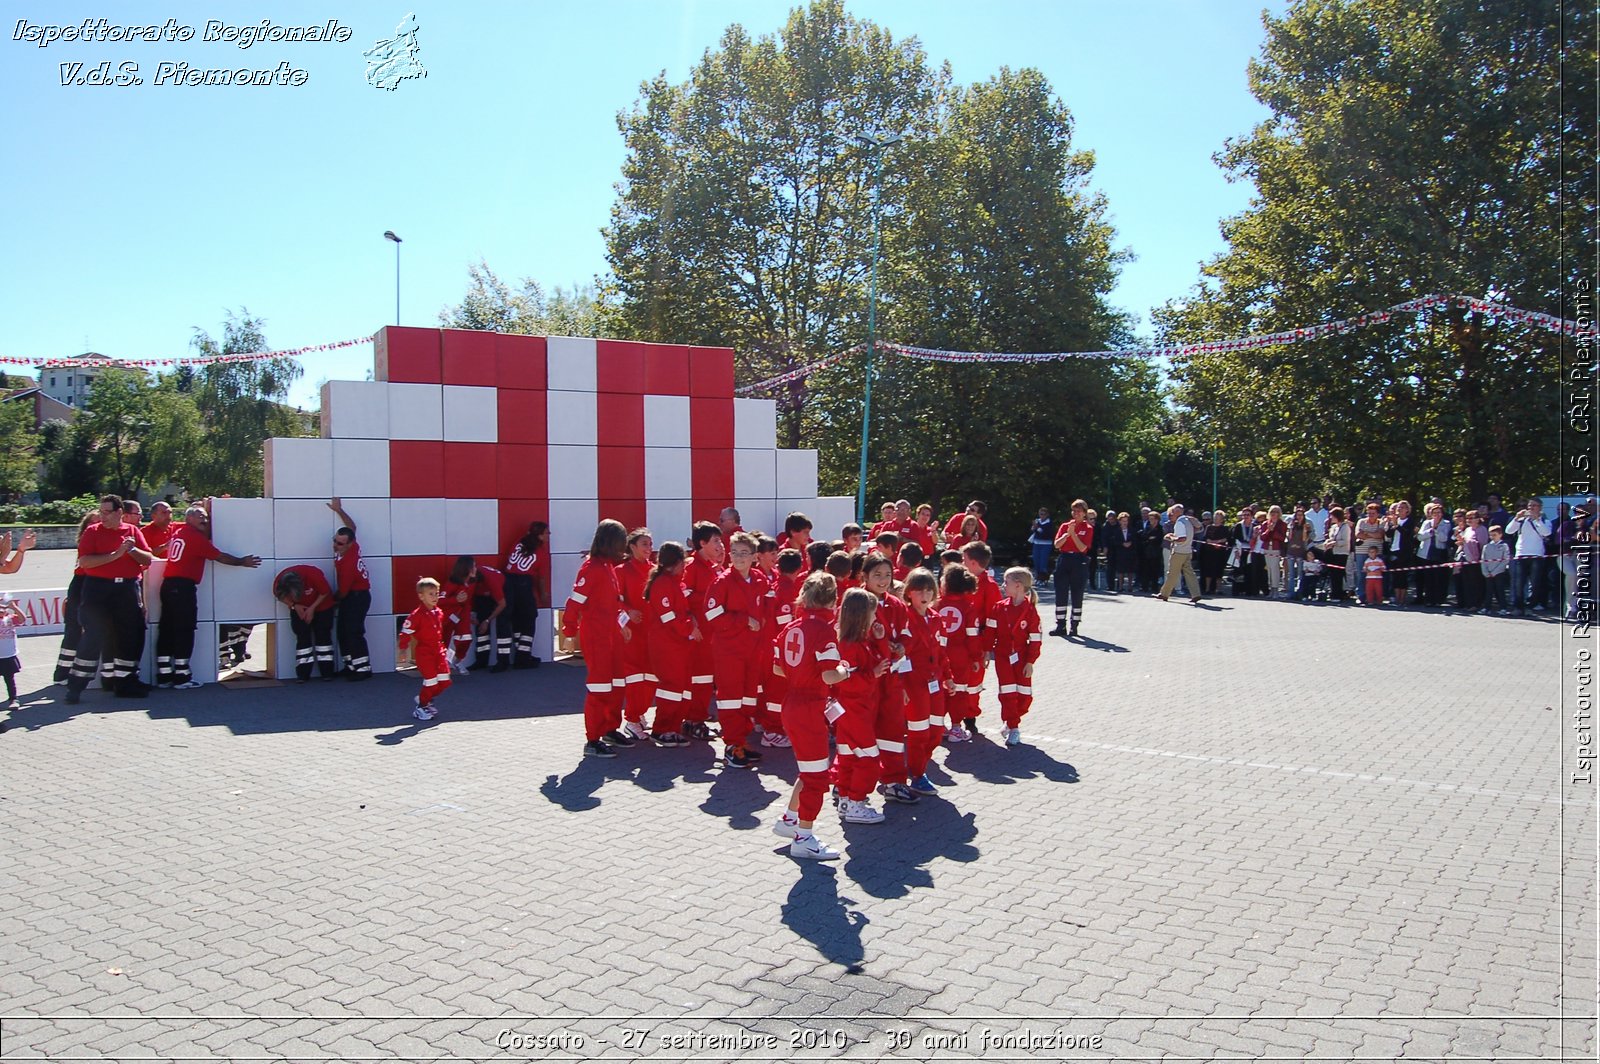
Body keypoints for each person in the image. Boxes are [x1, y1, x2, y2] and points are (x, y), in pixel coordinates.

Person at [770, 571, 847, 860]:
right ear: (832, 600)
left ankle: (790, 820)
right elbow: (829, 673)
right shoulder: (824, 630)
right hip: (810, 706)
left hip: (791, 702)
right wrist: (845, 671)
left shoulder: (791, 627)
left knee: (809, 770)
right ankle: (804, 837)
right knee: (817, 778)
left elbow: (777, 668)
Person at [156, 505, 262, 689]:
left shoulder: (179, 532)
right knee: (184, 630)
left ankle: (164, 675)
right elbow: (220, 556)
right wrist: (242, 561)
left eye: (206, 516)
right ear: (189, 519)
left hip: (168, 586)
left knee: (167, 630)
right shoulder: (195, 538)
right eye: (200, 516)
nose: (204, 520)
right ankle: (182, 677)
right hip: (183, 588)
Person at [64, 496, 154, 704]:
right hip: (98, 588)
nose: (102, 516)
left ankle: (125, 682)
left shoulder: (132, 532)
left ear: (118, 513)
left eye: (106, 512)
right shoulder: (92, 532)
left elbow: (148, 559)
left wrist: (131, 550)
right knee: (94, 635)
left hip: (127, 588)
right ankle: (76, 685)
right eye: (101, 511)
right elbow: (86, 562)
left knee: (129, 634)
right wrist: (116, 554)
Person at [563, 520, 636, 758]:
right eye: (622, 539)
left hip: (611, 635)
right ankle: (592, 739)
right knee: (599, 688)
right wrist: (569, 627)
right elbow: (575, 601)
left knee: (616, 685)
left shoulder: (607, 567)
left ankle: (609, 729)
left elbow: (613, 603)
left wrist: (621, 624)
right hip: (596, 637)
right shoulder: (592, 568)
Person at [705, 530, 769, 769]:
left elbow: (766, 611)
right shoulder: (722, 582)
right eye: (734, 552)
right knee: (730, 699)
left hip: (752, 651)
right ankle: (732, 745)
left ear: (754, 556)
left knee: (748, 698)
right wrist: (742, 620)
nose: (738, 557)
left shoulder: (760, 580)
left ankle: (742, 740)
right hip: (729, 651)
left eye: (744, 553)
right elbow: (711, 614)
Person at [830, 588, 892, 825]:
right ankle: (856, 801)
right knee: (868, 758)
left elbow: (883, 663)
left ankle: (847, 799)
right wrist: (871, 675)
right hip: (854, 711)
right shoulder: (849, 646)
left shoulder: (861, 642)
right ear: (860, 616)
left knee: (847, 757)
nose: (876, 618)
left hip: (858, 710)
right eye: (872, 614)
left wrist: (880, 639)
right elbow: (847, 681)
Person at [861, 554, 915, 804]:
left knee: (893, 730)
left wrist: (901, 646)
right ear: (865, 577)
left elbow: (906, 633)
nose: (883, 581)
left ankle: (893, 781)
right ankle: (847, 784)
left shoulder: (896, 604)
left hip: (891, 679)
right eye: (877, 575)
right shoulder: (856, 603)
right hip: (866, 679)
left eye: (887, 575)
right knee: (859, 732)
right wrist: (881, 648)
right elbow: (849, 641)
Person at [643, 541, 695, 747]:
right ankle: (661, 729)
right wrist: (691, 628)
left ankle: (672, 727)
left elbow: (683, 611)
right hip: (666, 645)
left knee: (679, 687)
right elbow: (670, 619)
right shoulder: (663, 584)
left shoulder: (673, 582)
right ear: (675, 563)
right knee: (670, 687)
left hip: (677, 644)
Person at [900, 568, 946, 793]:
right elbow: (900, 656)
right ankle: (918, 775)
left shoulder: (936, 618)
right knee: (919, 732)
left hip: (935, 682)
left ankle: (918, 766)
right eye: (919, 590)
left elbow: (941, 652)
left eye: (929, 590)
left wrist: (949, 678)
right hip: (914, 684)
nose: (925, 595)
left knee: (936, 731)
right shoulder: (904, 619)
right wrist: (901, 685)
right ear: (909, 593)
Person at [324, 499, 374, 680]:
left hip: (356, 597)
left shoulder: (348, 563)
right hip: (353, 596)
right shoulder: (352, 548)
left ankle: (363, 669)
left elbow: (343, 591)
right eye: (335, 541)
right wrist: (339, 510)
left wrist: (331, 601)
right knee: (343, 632)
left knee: (353, 631)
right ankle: (351, 665)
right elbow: (351, 527)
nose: (335, 546)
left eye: (340, 544)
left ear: (349, 545)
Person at [993, 567, 1042, 746]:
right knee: (1007, 693)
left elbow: (1036, 640)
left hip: (1021, 657)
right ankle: (1013, 727)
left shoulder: (1030, 611)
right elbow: (991, 632)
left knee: (1024, 696)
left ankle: (1011, 718)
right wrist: (984, 652)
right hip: (1003, 656)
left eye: (1007, 582)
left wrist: (1030, 662)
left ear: (1019, 586)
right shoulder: (999, 607)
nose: (1003, 585)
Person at [616, 528, 657, 741]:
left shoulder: (655, 570)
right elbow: (613, 600)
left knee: (650, 676)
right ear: (632, 547)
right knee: (634, 678)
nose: (649, 548)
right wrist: (628, 614)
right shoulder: (621, 571)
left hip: (652, 633)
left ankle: (639, 712)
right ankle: (631, 719)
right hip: (632, 634)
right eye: (645, 544)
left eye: (650, 544)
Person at [937, 564, 981, 743]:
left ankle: (939, 725)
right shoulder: (968, 606)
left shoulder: (937, 604)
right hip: (960, 656)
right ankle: (956, 727)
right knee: (960, 691)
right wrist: (976, 657)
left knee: (940, 691)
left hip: (939, 654)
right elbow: (973, 636)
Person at [398, 577, 451, 720]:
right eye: (431, 594)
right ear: (421, 596)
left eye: (436, 593)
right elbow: (405, 633)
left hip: (439, 651)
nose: (435, 597)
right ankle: (420, 707)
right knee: (431, 681)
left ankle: (425, 699)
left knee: (445, 681)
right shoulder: (416, 615)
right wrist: (403, 650)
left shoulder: (438, 612)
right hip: (425, 653)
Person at [274, 565, 337, 681]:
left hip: (323, 606)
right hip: (298, 609)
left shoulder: (313, 575)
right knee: (302, 638)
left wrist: (312, 609)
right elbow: (279, 596)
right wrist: (294, 605)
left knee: (323, 638)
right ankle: (303, 674)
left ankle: (327, 672)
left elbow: (324, 592)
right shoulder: (280, 582)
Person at [53, 513, 95, 682]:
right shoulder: (86, 542)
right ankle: (62, 672)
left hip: (89, 584)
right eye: (92, 523)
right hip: (81, 584)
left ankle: (71, 671)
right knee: (74, 630)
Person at [503, 521, 547, 668]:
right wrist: (543, 594)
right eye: (547, 533)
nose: (548, 536)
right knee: (529, 618)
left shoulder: (519, 543)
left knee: (516, 619)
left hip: (508, 581)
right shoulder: (540, 552)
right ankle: (523, 657)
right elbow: (541, 577)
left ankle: (521, 654)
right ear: (540, 535)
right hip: (523, 584)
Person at [1051, 500, 1093, 637]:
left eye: (1079, 511)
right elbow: (1057, 545)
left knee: (1077, 593)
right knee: (1061, 592)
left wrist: (1074, 534)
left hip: (1078, 560)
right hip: (1064, 559)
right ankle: (1060, 625)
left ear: (1084, 513)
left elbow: (1082, 548)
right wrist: (1067, 534)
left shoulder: (1088, 528)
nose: (1076, 514)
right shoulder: (1065, 526)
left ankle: (1074, 626)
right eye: (1074, 511)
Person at [1505, 498, 1551, 614]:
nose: (1531, 508)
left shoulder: (1545, 521)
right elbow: (1508, 531)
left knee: (1535, 584)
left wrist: (1536, 520)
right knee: (1519, 583)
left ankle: (1531, 606)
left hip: (1537, 555)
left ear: (1540, 507)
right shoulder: (1521, 520)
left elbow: (1546, 533)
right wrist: (1516, 518)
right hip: (1521, 554)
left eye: (1534, 506)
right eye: (1529, 506)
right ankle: (1518, 607)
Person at [469, 559, 512, 671]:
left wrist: (487, 621)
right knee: (480, 623)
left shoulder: (491, 580)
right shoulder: (467, 578)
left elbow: (502, 604)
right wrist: (470, 617)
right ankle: (481, 660)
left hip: (504, 589)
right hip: (483, 594)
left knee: (502, 624)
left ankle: (503, 662)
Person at [1158, 504, 1202, 604]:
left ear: (1177, 512)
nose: (1171, 514)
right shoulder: (1188, 521)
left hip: (1179, 551)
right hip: (1188, 551)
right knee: (1190, 573)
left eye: (1172, 512)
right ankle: (1196, 594)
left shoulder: (1179, 523)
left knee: (1172, 573)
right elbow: (1199, 528)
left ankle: (1164, 594)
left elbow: (1182, 538)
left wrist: (1170, 538)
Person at [1455, 510, 1486, 612]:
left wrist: (1467, 542)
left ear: (1478, 519)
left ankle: (1476, 603)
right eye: (1467, 518)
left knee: (1476, 582)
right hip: (1466, 558)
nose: (1469, 520)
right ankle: (1468, 603)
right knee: (1466, 582)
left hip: (1476, 560)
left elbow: (1482, 545)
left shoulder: (1482, 529)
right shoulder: (1468, 529)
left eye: (1471, 518)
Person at [1320, 507, 1353, 601]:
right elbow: (1331, 537)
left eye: (1332, 516)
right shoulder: (1334, 527)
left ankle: (1339, 595)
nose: (1331, 517)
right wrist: (1328, 542)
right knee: (1333, 574)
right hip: (1333, 552)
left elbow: (1345, 541)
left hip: (1342, 553)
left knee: (1338, 574)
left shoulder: (1345, 527)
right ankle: (1334, 593)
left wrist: (1335, 543)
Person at [1481, 525, 1511, 614]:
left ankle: (1503, 608)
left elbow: (1505, 560)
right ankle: (1487, 608)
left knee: (1500, 590)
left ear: (1500, 534)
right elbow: (1483, 560)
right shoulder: (1486, 546)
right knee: (1488, 591)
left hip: (1499, 572)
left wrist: (1495, 572)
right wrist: (1485, 572)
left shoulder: (1504, 546)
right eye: (1490, 535)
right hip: (1488, 572)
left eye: (1494, 535)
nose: (1492, 537)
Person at [1, 593, 23, 714]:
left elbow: (22, 619)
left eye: (3, 609)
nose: (1, 612)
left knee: (9, 679)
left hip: (8, 655)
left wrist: (14, 607)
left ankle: (13, 699)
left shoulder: (10, 619)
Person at [1200, 509, 1230, 596]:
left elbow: (1226, 538)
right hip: (1209, 552)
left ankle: (1218, 589)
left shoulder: (1225, 528)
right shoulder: (1209, 527)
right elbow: (1206, 538)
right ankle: (1207, 588)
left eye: (1218, 517)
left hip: (1220, 552)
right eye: (1215, 516)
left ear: (1222, 519)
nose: (1216, 518)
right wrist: (1212, 543)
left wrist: (1218, 542)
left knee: (1219, 570)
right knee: (1208, 570)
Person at [1137, 510, 1165, 594]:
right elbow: (1144, 537)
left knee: (1155, 570)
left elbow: (1158, 539)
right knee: (1145, 570)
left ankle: (1154, 587)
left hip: (1156, 552)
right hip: (1146, 552)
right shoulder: (1147, 527)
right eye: (1150, 519)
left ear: (1157, 519)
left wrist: (1151, 538)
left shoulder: (1160, 528)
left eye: (1152, 519)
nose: (1151, 520)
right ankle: (1144, 586)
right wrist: (1150, 538)